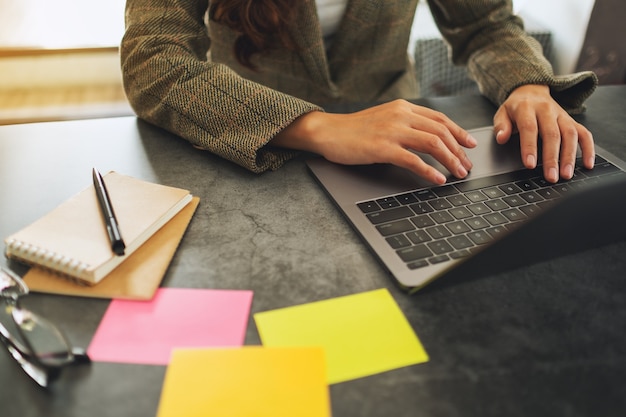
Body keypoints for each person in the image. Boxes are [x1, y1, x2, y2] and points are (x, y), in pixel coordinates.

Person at [121, 0, 598, 185]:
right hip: (249, 145)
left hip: (401, 147)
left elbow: (484, 23)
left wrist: (527, 83)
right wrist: (322, 127)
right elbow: (153, 61)